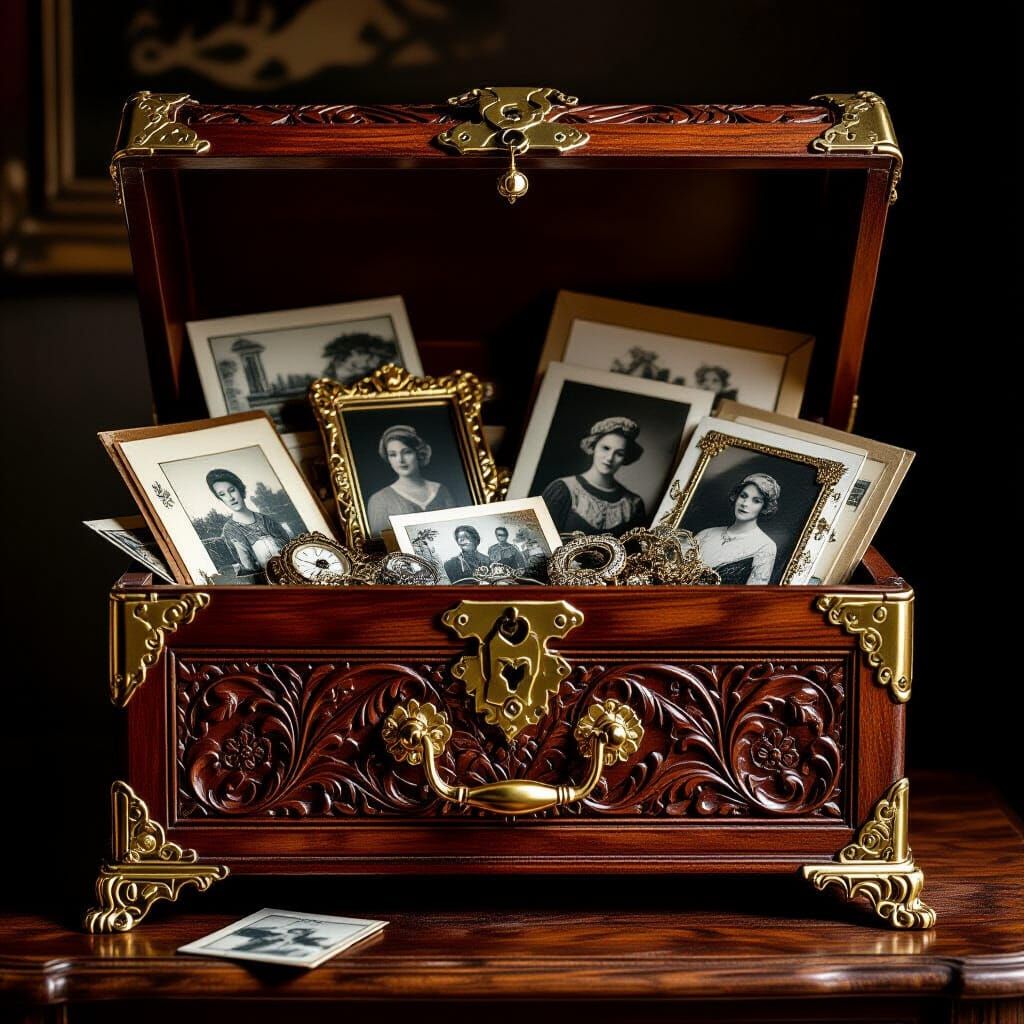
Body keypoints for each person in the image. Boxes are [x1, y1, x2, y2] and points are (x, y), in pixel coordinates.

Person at [541, 417, 647, 537]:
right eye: (605, 448)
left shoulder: (633, 504)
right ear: (593, 446)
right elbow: (537, 540)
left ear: (625, 458)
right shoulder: (562, 489)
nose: (609, 458)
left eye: (619, 453)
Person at [365, 425, 456, 537]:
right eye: (393, 455)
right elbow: (380, 543)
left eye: (407, 452)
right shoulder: (379, 500)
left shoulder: (441, 491)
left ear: (419, 453)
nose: (400, 460)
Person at [693, 472, 779, 584]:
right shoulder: (706, 534)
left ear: (764, 507)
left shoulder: (765, 546)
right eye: (743, 496)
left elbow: (753, 592)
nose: (745, 503)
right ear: (736, 497)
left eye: (756, 501)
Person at [207, 468, 292, 578]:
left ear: (240, 489)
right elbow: (248, 565)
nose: (230, 498)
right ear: (220, 499)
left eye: (232, 490)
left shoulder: (267, 520)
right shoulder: (230, 530)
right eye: (222, 494)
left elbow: (289, 548)